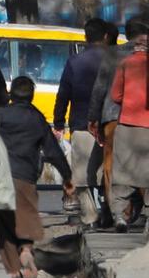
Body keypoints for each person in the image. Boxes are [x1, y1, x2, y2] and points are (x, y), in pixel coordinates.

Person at [0, 76, 73, 278]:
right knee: (25, 221)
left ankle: (14, 273)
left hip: (0, 178)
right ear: (32, 96)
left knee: (4, 226)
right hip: (26, 179)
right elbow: (53, 151)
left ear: (11, 95)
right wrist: (67, 176)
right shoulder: (37, 118)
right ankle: (27, 251)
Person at [53, 18, 108, 225]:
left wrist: (59, 122)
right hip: (111, 125)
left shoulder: (74, 62)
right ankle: (109, 213)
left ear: (86, 37)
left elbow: (63, 94)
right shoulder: (116, 61)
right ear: (105, 37)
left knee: (82, 176)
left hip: (81, 124)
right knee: (107, 173)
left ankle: (90, 215)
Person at [89, 16, 140, 226]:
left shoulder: (112, 54)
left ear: (126, 34)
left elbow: (100, 88)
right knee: (140, 162)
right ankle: (137, 211)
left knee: (111, 165)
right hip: (140, 117)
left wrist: (93, 117)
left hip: (112, 116)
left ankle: (114, 212)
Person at [107, 22, 149, 233]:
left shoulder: (126, 63)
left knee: (123, 172)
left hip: (127, 123)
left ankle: (119, 216)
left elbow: (115, 96)